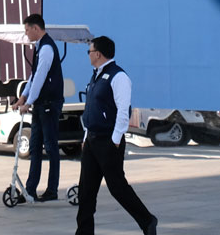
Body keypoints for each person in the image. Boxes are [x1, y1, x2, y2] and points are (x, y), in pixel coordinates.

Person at [74, 35, 157, 235]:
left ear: (98, 54)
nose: (88, 55)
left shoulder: (118, 77)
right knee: (86, 191)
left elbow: (123, 111)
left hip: (108, 142)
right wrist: (86, 136)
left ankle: (147, 220)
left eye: (90, 51)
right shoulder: (95, 75)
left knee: (117, 188)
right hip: (92, 140)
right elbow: (91, 109)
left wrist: (115, 139)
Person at [18, 13, 64, 202]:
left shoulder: (46, 48)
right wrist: (23, 97)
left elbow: (40, 77)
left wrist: (29, 102)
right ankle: (30, 189)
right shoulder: (39, 48)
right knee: (35, 147)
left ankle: (52, 189)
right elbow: (33, 76)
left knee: (51, 146)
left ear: (36, 28)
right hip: (40, 104)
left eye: (27, 30)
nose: (26, 34)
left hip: (49, 103)